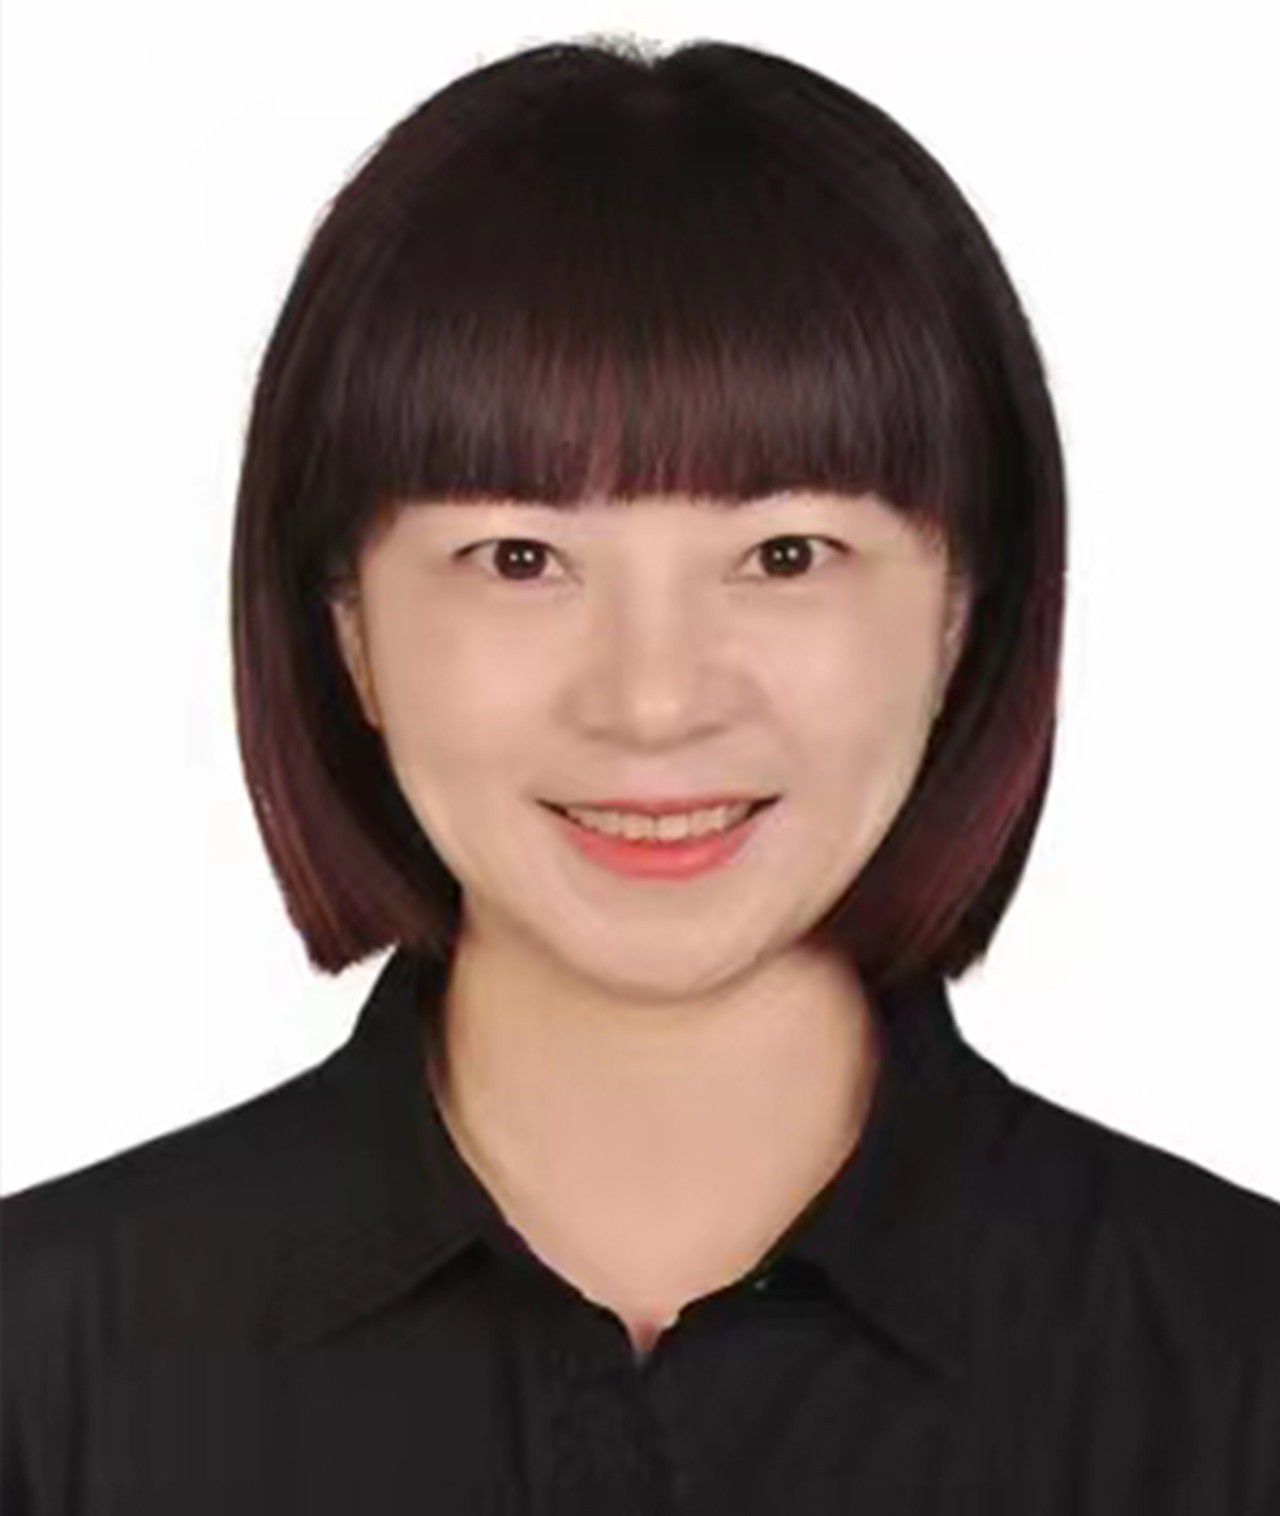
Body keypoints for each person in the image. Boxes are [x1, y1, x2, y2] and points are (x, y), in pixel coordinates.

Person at [3, 33, 1278, 1514]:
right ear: (346, 626)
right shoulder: (47, 1381)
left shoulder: (1237, 1372)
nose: (655, 702)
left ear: (958, 614)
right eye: (520, 558)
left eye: (785, 554)